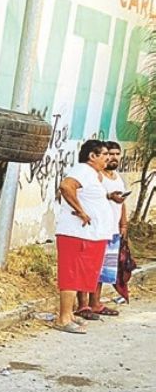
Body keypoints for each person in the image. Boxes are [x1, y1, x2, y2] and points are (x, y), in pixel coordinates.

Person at [53, 139, 115, 334]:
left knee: (81, 274)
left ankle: (70, 314)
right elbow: (66, 187)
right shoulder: (82, 170)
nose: (108, 158)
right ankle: (63, 318)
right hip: (77, 233)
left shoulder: (94, 175)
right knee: (71, 274)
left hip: (91, 235)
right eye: (104, 154)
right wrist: (80, 211)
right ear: (92, 156)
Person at [75, 141, 128, 319]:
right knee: (88, 267)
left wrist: (123, 225)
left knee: (102, 270)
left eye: (115, 154)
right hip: (95, 230)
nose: (111, 157)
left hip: (112, 230)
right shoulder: (95, 176)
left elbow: (122, 205)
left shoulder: (117, 177)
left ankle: (95, 303)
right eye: (108, 154)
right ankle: (83, 305)